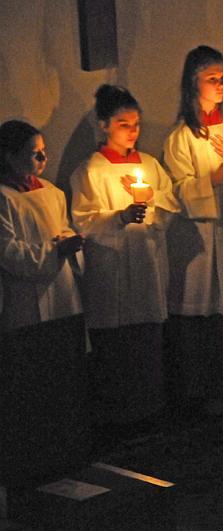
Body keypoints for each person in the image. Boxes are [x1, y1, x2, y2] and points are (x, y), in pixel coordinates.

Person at [70, 84, 180, 428]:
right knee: (115, 340)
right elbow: (84, 219)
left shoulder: (149, 164)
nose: (132, 131)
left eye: (136, 124)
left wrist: (150, 208)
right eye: (123, 124)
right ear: (103, 125)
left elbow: (169, 204)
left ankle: (150, 409)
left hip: (145, 259)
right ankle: (117, 416)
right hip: (111, 267)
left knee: (146, 335)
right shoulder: (91, 170)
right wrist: (120, 217)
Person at [163, 45, 223, 415]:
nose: (221, 84)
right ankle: (201, 393)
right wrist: (212, 180)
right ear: (194, 82)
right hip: (201, 234)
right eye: (212, 78)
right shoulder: (182, 137)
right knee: (204, 303)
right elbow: (176, 190)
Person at [0, 120, 85, 481]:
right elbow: (9, 251)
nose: (43, 158)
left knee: (63, 371)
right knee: (32, 376)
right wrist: (53, 250)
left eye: (44, 151)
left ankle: (68, 450)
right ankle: (34, 460)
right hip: (25, 297)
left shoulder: (51, 192)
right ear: (9, 157)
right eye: (34, 153)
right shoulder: (4, 198)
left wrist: (69, 244)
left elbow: (62, 228)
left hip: (61, 290)